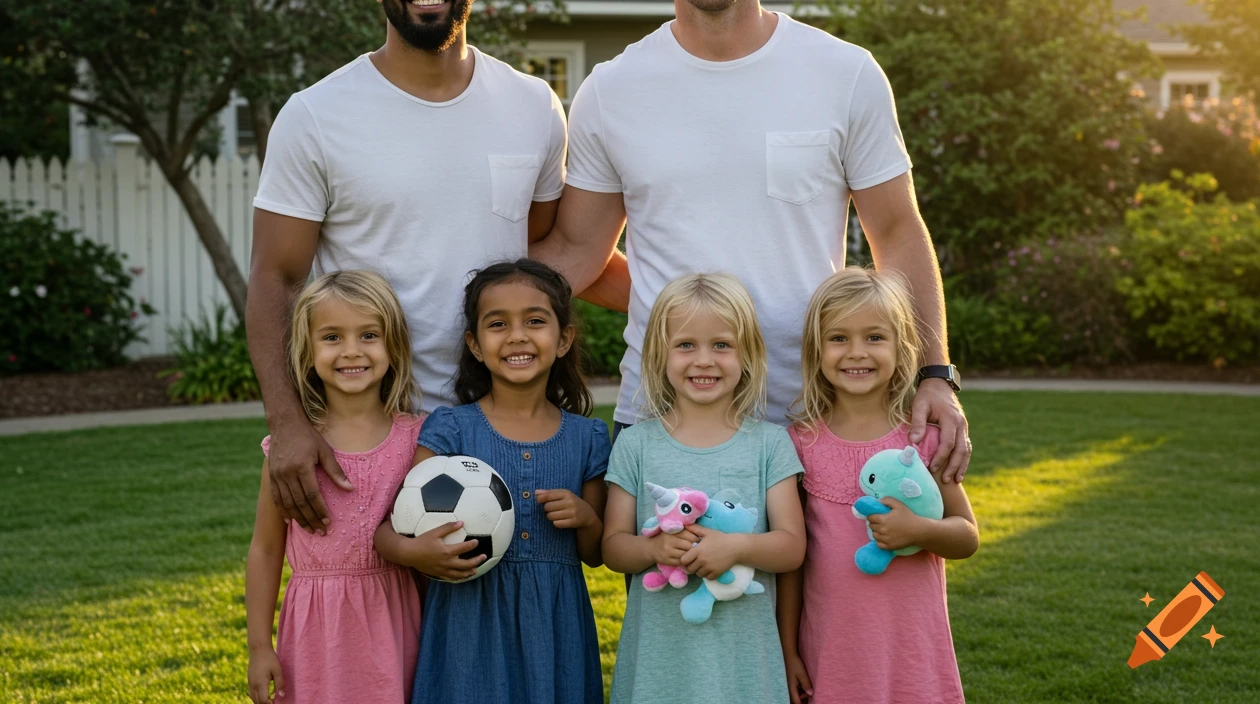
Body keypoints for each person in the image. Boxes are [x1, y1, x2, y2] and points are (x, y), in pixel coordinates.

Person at [530, 0, 972, 481]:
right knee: (675, 586)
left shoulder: (843, 73)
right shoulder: (611, 89)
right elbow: (577, 253)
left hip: (817, 412)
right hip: (665, 416)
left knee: (836, 587)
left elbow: (897, 231)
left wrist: (934, 372)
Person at [247, 0, 627, 537]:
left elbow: (547, 256)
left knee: (499, 627)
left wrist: (679, 305)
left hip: (500, 420)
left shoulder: (533, 106)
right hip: (368, 426)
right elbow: (275, 278)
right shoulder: (317, 115)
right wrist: (288, 423)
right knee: (372, 624)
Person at [374, 259, 611, 704]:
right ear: (476, 345)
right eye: (497, 323)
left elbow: (597, 555)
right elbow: (390, 531)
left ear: (563, 339)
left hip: (555, 628)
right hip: (466, 623)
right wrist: (415, 553)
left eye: (535, 321)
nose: (517, 335)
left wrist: (585, 518)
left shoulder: (587, 437)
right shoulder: (451, 429)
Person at [602, 273, 806, 704]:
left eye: (722, 345)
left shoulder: (770, 444)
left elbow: (792, 548)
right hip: (661, 663)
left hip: (745, 664)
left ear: (747, 354)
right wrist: (654, 551)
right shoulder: (635, 444)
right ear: (659, 355)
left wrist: (734, 549)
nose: (704, 360)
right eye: (685, 345)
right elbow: (613, 548)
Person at [779, 268, 978, 704]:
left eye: (874, 337)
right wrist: (788, 649)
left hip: (911, 650)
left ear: (900, 347)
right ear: (816, 350)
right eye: (838, 338)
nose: (856, 353)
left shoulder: (922, 438)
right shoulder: (799, 444)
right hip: (832, 650)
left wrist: (920, 531)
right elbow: (792, 562)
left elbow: (967, 536)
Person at [245, 270, 427, 704]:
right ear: (306, 353)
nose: (351, 351)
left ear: (394, 348)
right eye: (331, 337)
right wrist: (258, 646)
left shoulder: (418, 440)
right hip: (316, 634)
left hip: (397, 621)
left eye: (368, 335)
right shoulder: (290, 452)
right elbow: (265, 549)